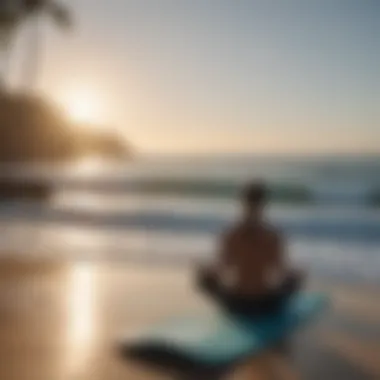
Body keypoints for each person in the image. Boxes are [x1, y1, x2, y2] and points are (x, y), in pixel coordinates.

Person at [197, 180, 304, 316]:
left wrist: (206, 272)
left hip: (237, 304)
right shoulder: (272, 236)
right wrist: (295, 276)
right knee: (295, 279)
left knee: (202, 275)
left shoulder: (231, 234)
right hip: (265, 305)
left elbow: (222, 268)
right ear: (263, 205)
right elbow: (280, 270)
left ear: (242, 203)